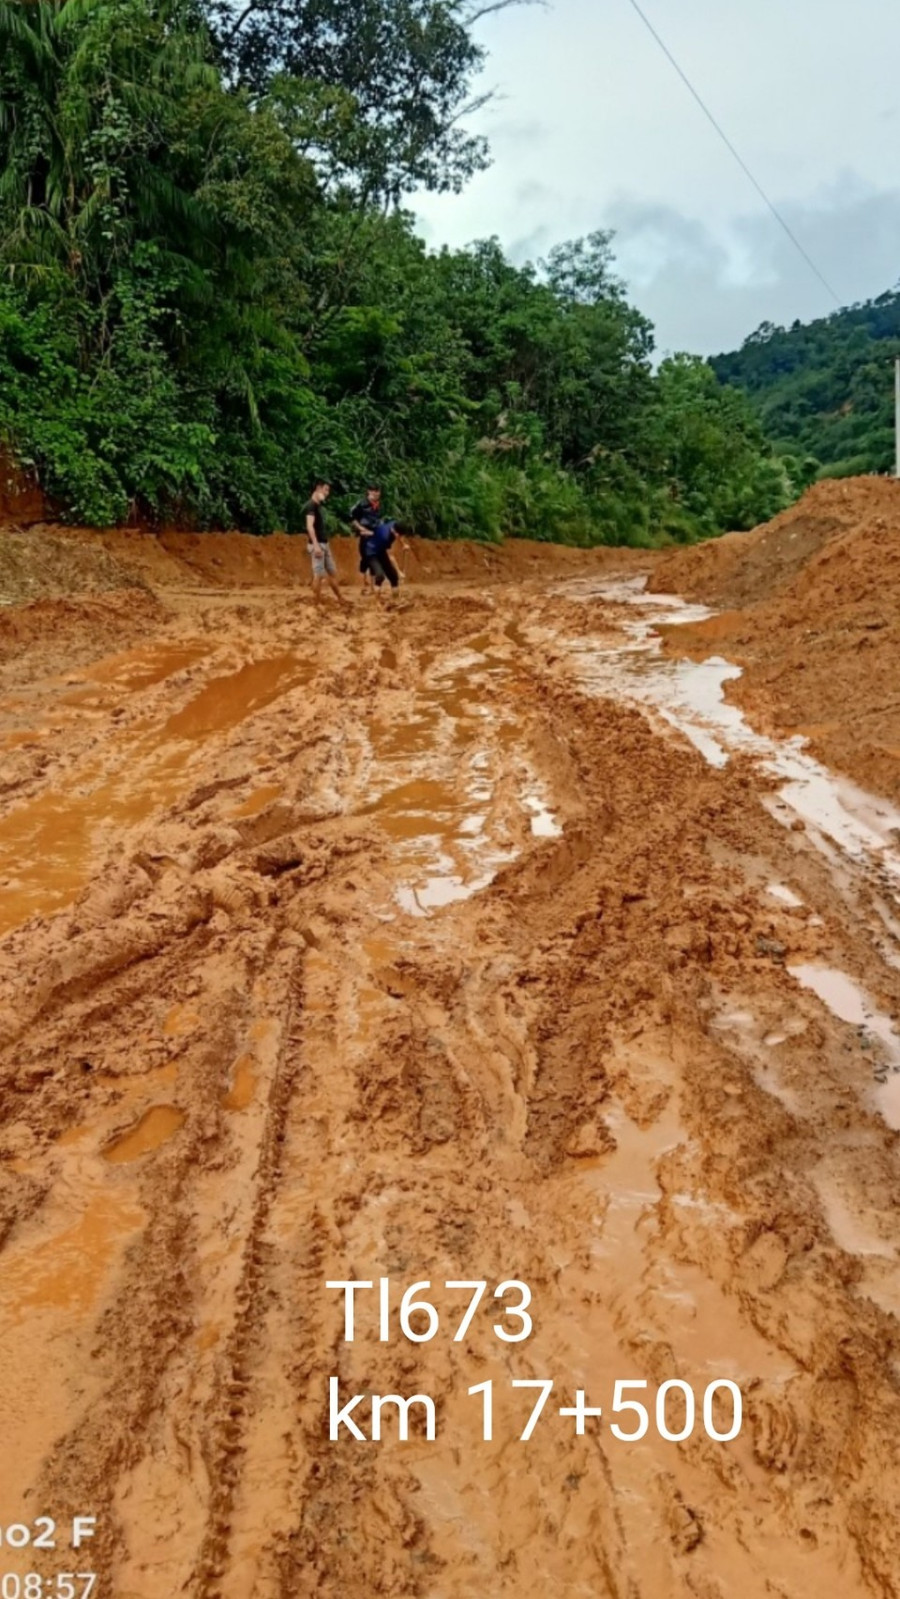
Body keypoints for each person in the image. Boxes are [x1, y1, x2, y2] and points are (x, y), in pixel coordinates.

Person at [303, 479, 346, 608]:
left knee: (332, 572)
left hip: (324, 544)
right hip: (318, 545)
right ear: (318, 488)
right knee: (319, 575)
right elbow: (309, 526)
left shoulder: (318, 506)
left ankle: (340, 598)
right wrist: (315, 545)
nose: (327, 493)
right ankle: (316, 603)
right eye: (325, 489)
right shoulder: (310, 506)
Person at [350, 484, 383, 592]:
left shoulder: (378, 505)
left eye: (377, 491)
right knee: (366, 559)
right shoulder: (361, 504)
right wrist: (361, 529)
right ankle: (364, 584)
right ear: (368, 491)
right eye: (373, 491)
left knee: (374, 559)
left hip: (375, 536)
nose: (376, 494)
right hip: (365, 536)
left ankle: (372, 587)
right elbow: (352, 517)